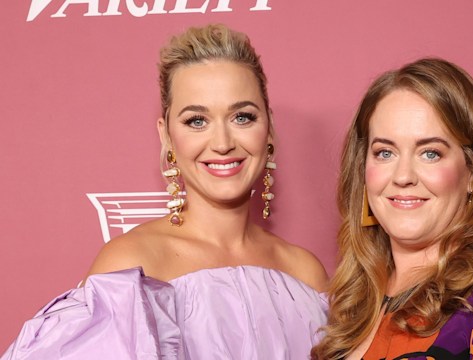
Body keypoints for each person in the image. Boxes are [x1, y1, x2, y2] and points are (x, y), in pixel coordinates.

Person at [2, 24, 328, 360]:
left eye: (242, 117)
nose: (222, 143)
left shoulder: (305, 273)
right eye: (196, 121)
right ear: (167, 135)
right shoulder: (131, 266)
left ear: (269, 128)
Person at [312, 58, 473, 359]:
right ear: (362, 170)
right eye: (385, 152)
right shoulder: (353, 307)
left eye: (430, 153)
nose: (403, 176)